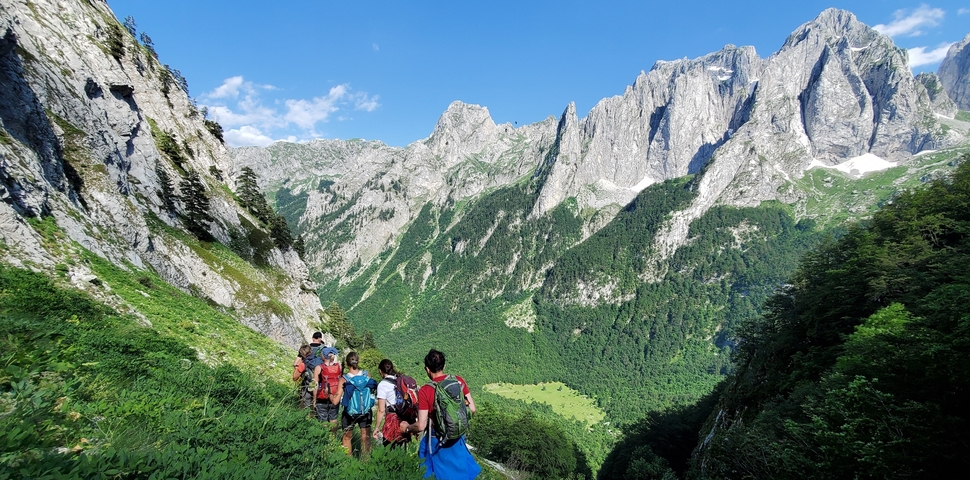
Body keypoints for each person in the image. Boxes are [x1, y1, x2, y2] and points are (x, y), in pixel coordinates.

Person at [400, 349, 480, 480]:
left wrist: (406, 428)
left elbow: (421, 425)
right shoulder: (458, 381)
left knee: (434, 473)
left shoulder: (426, 390)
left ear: (427, 369)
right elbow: (472, 409)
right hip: (457, 437)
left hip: (437, 440)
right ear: (444, 366)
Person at [340, 351, 377, 456]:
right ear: (358, 362)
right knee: (365, 437)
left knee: (347, 437)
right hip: (365, 411)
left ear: (347, 364)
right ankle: (366, 461)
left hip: (349, 414)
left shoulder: (344, 379)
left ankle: (347, 462)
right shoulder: (366, 374)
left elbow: (336, 400)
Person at [373, 359, 412, 447]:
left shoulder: (382, 385)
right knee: (402, 449)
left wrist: (377, 427)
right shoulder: (400, 380)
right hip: (404, 419)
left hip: (392, 420)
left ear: (380, 371)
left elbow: (381, 410)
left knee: (389, 448)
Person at [314, 346, 342, 432]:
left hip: (322, 396)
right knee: (333, 418)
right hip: (335, 395)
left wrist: (314, 399)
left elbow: (314, 385)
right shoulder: (339, 366)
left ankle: (324, 437)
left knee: (323, 419)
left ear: (323, 356)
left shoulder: (319, 368)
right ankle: (333, 438)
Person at [291, 344, 314, 409]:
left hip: (308, 388)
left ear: (302, 354)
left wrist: (296, 366)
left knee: (305, 408)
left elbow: (295, 377)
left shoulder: (303, 364)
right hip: (319, 387)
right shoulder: (317, 360)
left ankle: (305, 417)